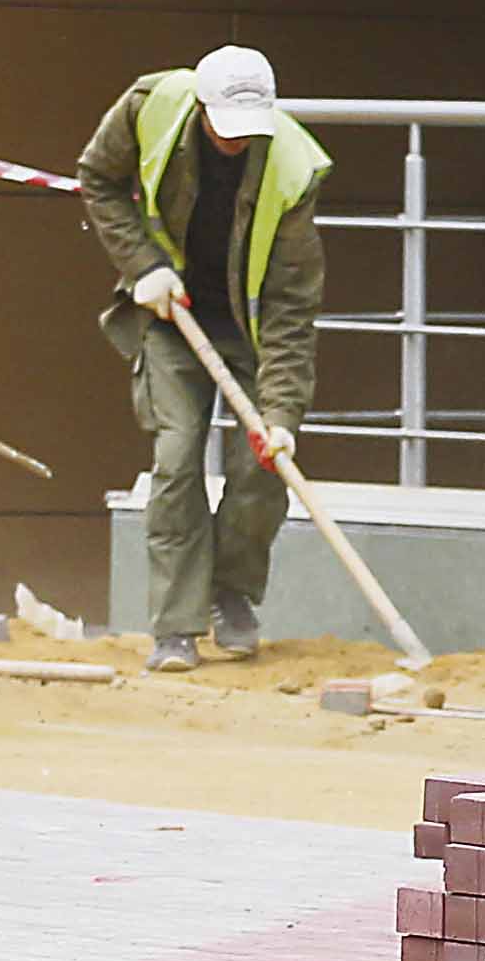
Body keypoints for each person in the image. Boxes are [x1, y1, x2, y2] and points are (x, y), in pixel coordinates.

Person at [76, 46, 328, 671]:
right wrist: (143, 268)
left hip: (250, 325)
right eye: (226, 129)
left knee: (261, 467)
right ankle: (175, 627)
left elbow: (293, 311)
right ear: (201, 109)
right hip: (172, 310)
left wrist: (282, 415)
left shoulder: (292, 171)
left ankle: (232, 595)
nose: (237, 143)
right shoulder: (149, 107)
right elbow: (98, 179)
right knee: (176, 455)